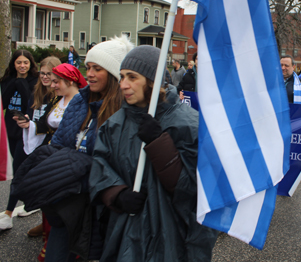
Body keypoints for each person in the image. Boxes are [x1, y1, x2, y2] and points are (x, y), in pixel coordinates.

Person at [89, 45, 218, 261]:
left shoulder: (189, 124)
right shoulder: (114, 125)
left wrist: (159, 144)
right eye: (121, 77)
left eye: (132, 77)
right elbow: (100, 167)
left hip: (172, 239)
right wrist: (117, 195)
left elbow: (195, 190)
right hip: (125, 236)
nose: (123, 85)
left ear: (153, 81)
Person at [13, 35, 134, 261]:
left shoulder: (125, 111)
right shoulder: (80, 101)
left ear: (114, 73)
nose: (89, 74)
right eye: (87, 67)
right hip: (69, 199)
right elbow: (59, 142)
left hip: (102, 202)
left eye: (97, 68)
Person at [0, 49, 38, 231]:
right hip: (9, 130)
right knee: (22, 168)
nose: (22, 66)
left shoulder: (34, 82)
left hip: (25, 132)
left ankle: (8, 213)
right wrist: (13, 82)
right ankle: (33, 201)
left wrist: (21, 82)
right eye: (18, 63)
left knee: (17, 171)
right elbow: (4, 103)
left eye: (26, 63)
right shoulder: (7, 80)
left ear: (30, 64)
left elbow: (27, 104)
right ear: (13, 64)